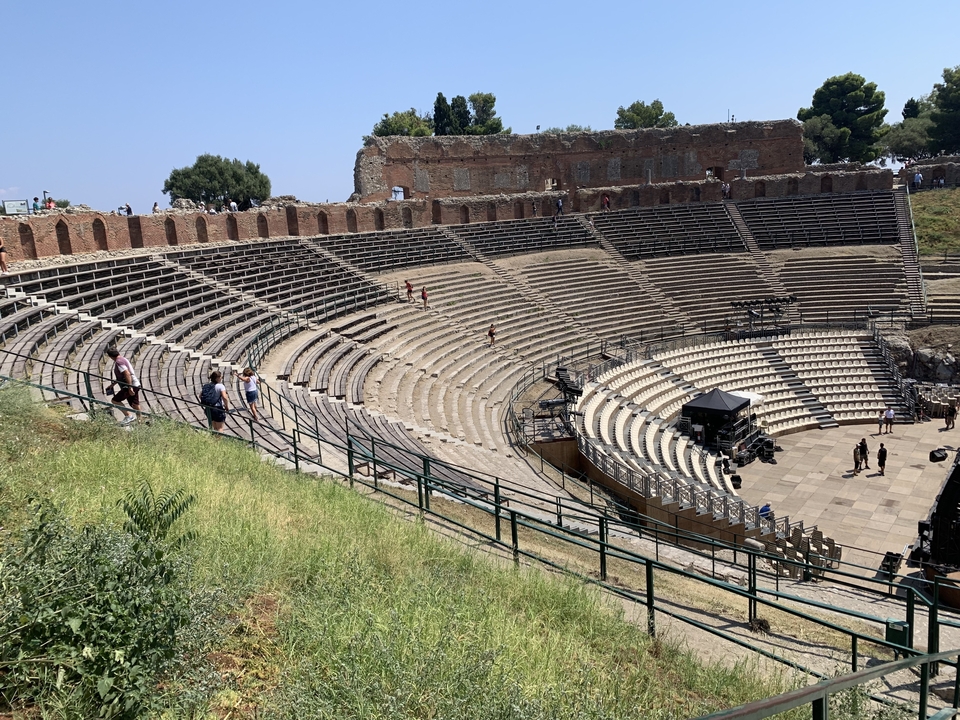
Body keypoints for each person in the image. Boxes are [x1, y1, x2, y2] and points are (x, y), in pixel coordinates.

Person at [105, 346, 141, 426]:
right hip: (135, 384)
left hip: (129, 385)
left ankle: (128, 416)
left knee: (115, 401)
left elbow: (127, 373)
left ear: (110, 356)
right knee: (134, 404)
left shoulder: (119, 362)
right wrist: (113, 384)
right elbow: (121, 376)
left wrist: (130, 387)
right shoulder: (123, 359)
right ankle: (140, 420)